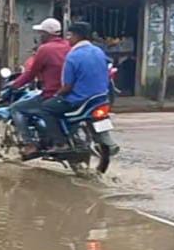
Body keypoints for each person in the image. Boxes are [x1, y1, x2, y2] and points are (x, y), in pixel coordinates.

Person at [40, 21, 119, 154]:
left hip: (79, 100)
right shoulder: (99, 52)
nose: (68, 39)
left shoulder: (73, 56)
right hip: (100, 98)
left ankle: (60, 143)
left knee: (46, 108)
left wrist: (56, 95)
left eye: (69, 35)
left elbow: (67, 86)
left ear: (77, 36)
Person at [7, 18, 70, 157]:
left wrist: (15, 84)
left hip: (51, 93)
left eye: (41, 33)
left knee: (16, 108)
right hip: (68, 92)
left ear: (47, 34)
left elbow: (31, 73)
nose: (40, 36)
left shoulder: (45, 49)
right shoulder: (68, 46)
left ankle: (30, 144)